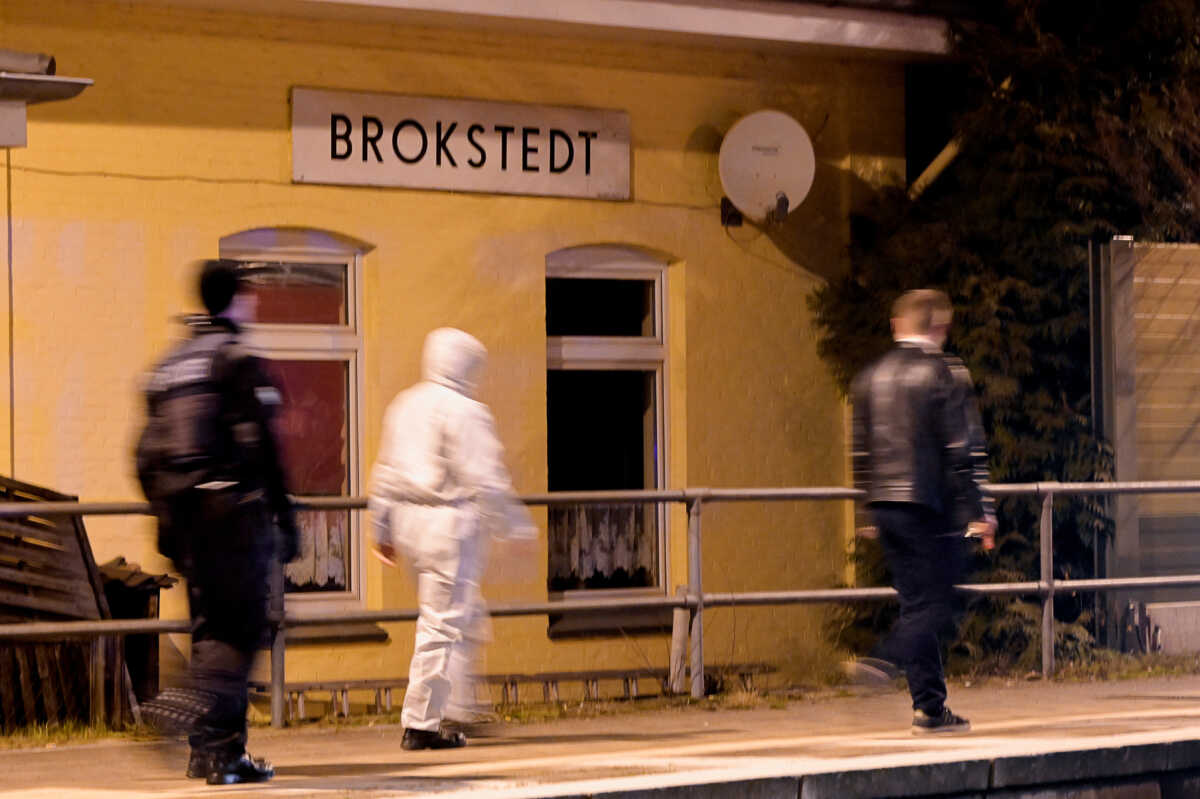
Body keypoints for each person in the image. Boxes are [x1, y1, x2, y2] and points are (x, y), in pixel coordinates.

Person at [136, 260, 299, 783]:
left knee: (210, 627)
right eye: (248, 294)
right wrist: (283, 515)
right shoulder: (236, 360)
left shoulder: (167, 366)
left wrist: (167, 516)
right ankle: (188, 706)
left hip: (184, 521)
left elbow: (143, 454)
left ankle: (211, 751)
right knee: (244, 630)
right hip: (232, 516)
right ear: (235, 299)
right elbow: (264, 447)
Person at [369, 327, 536, 750]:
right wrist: (513, 526)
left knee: (454, 618)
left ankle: (456, 706)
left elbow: (385, 472)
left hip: (410, 525)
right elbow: (485, 477)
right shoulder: (465, 411)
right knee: (443, 625)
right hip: (449, 525)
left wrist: (382, 530)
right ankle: (422, 724)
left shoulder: (405, 404)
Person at [848, 288, 996, 735]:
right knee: (941, 600)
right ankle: (883, 658)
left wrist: (866, 512)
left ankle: (930, 708)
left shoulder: (870, 376)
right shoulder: (943, 373)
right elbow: (960, 447)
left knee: (916, 604)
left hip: (884, 505)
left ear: (898, 326)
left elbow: (862, 449)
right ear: (940, 327)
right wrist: (979, 510)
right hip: (928, 505)